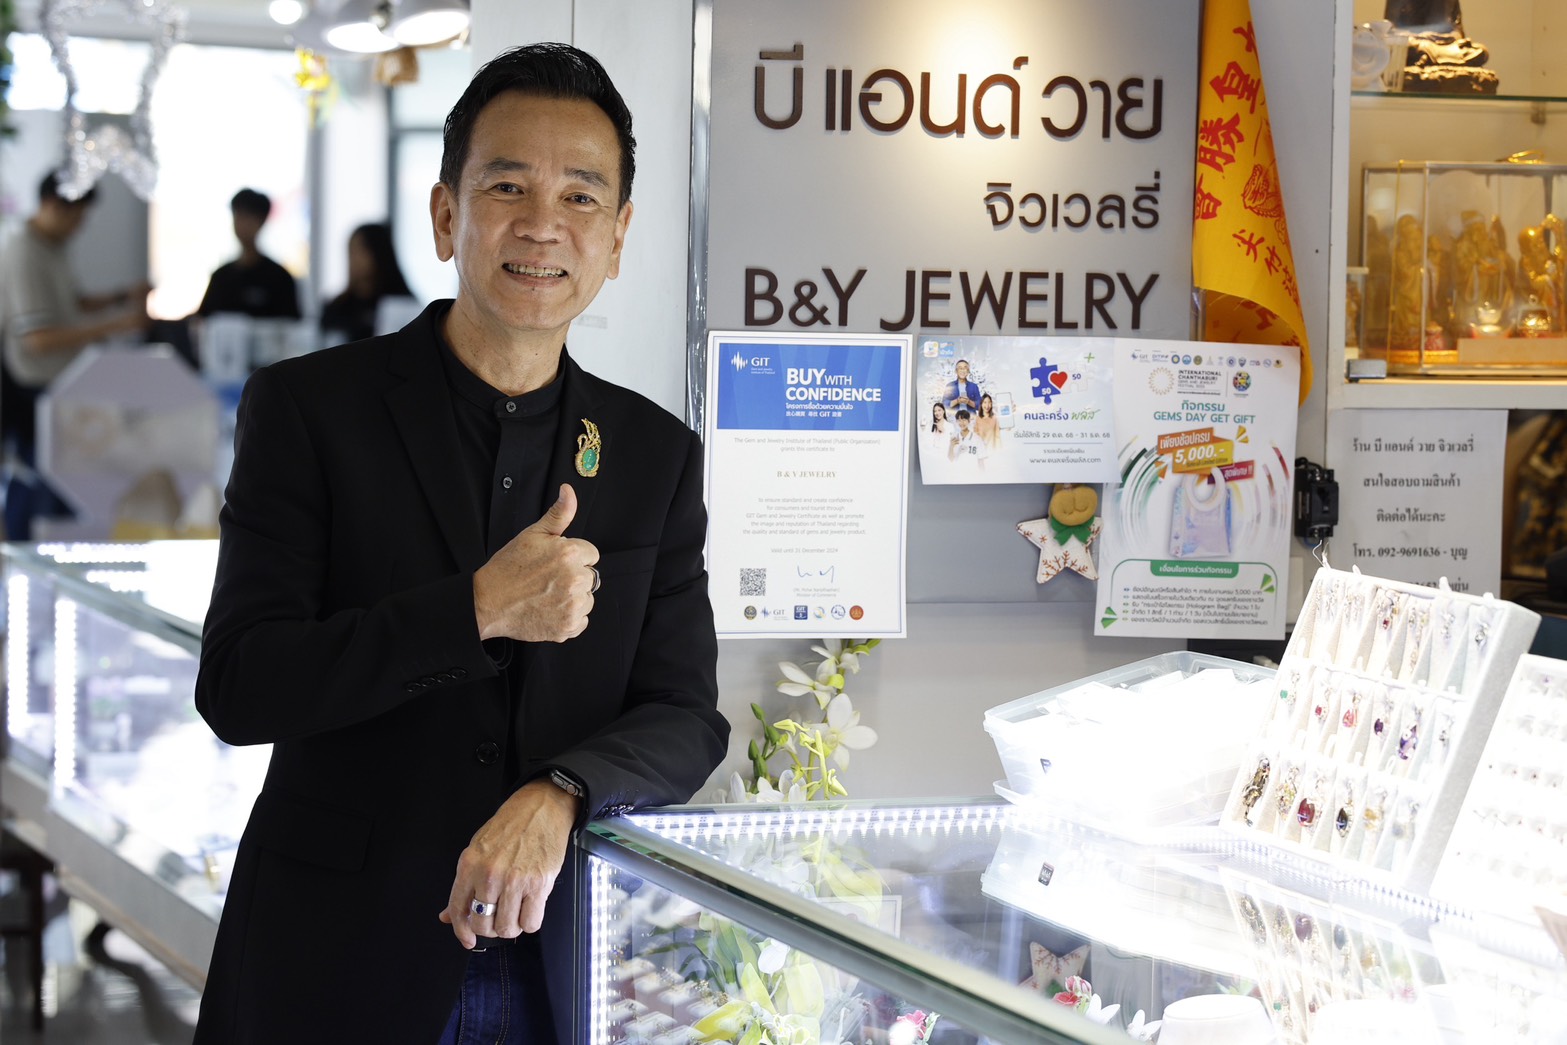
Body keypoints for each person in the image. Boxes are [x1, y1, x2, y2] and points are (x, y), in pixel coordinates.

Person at [191, 44, 729, 1045]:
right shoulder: (310, 410)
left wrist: (561, 791)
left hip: (552, 966)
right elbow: (241, 684)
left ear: (617, 237)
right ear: (447, 215)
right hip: (337, 958)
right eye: (507, 186)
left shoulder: (653, 453)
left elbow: (686, 714)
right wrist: (476, 609)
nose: (542, 224)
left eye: (580, 197)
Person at [0, 171, 150, 538]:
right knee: (39, 493)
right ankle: (25, 562)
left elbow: (70, 305)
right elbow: (37, 339)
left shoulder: (53, 247)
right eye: (77, 217)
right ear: (53, 205)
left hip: (60, 387)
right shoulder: (23, 251)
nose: (79, 227)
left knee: (61, 492)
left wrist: (120, 298)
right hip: (31, 389)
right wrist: (114, 326)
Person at [195, 188, 301, 319]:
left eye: (248, 217)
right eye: (238, 216)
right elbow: (202, 319)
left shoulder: (279, 278)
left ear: (261, 221)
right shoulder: (220, 277)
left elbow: (291, 323)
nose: (242, 224)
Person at [320, 221, 416, 343]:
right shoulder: (337, 306)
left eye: (361, 251)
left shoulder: (402, 305)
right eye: (351, 251)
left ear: (378, 252)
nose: (354, 258)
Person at [947, 408, 989, 473]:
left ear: (969, 421)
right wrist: (951, 446)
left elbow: (981, 462)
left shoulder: (977, 439)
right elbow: (951, 459)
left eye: (964, 420)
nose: (961, 423)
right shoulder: (954, 439)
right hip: (957, 474)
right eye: (959, 420)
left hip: (973, 474)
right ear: (956, 422)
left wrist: (983, 476)